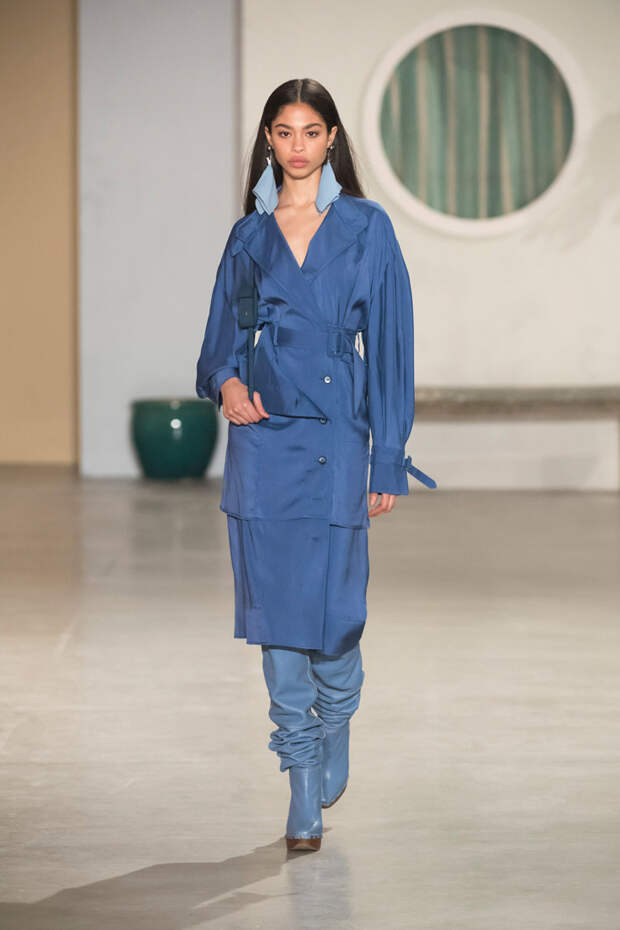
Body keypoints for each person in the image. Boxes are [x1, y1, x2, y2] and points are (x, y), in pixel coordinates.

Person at [196, 78, 437, 852]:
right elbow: (219, 345)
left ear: (332, 138)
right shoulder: (249, 236)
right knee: (276, 615)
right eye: (283, 131)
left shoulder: (367, 227)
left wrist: (388, 457)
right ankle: (300, 779)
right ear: (268, 140)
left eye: (310, 131)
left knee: (334, 615)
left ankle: (337, 715)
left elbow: (391, 347)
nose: (296, 146)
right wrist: (229, 384)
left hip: (338, 439)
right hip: (265, 443)